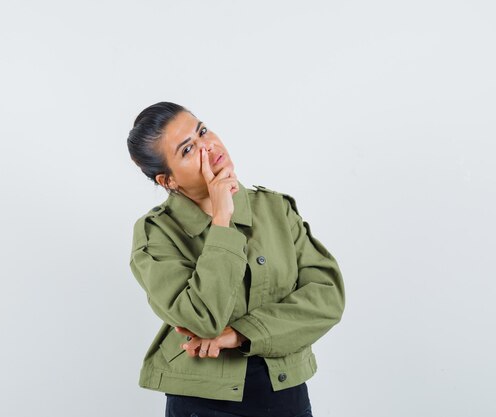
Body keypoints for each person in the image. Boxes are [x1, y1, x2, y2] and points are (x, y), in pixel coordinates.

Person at [127, 102, 345, 417]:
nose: (208, 147)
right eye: (188, 150)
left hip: (287, 396)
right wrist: (222, 220)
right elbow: (201, 318)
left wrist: (241, 333)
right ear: (168, 181)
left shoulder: (275, 210)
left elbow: (327, 297)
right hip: (202, 403)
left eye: (202, 131)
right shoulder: (155, 233)